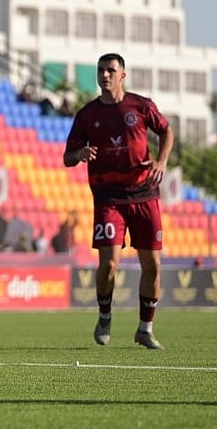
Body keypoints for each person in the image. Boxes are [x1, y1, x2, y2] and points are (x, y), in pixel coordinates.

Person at [63, 52, 175, 350]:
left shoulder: (140, 106)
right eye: (101, 70)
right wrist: (79, 154)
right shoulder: (87, 115)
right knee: (109, 264)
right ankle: (104, 315)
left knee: (152, 265)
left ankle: (145, 329)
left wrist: (162, 161)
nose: (105, 75)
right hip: (108, 198)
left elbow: (166, 131)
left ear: (122, 75)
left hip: (144, 194)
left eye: (111, 70)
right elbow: (67, 157)